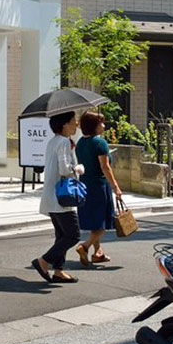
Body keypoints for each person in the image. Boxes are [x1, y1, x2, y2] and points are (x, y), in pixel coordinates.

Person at [31, 110, 82, 284]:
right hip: (62, 198)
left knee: (62, 235)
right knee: (73, 235)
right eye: (74, 121)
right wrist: (78, 168)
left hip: (52, 196)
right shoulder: (63, 143)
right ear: (64, 124)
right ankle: (44, 261)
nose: (76, 124)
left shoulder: (54, 141)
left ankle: (59, 271)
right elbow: (64, 170)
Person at [75, 110, 123, 267]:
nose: (104, 125)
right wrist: (116, 187)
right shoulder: (100, 143)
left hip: (85, 184)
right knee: (103, 222)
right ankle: (85, 246)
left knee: (95, 221)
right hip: (99, 185)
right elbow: (105, 167)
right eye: (101, 122)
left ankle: (98, 253)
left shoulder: (80, 143)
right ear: (94, 126)